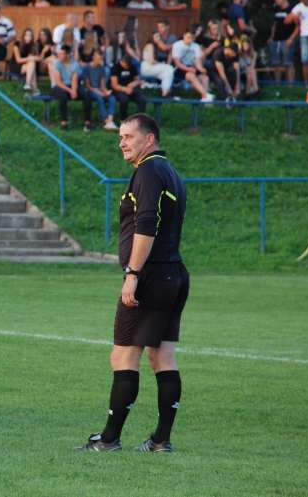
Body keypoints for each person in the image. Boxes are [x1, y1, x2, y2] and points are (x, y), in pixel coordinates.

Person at [77, 113, 188, 452]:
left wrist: (133, 275)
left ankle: (108, 440)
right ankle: (160, 440)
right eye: (120, 137)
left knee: (123, 356)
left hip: (150, 276)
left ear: (149, 139)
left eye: (128, 136)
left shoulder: (149, 171)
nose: (121, 142)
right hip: (174, 274)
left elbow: (146, 223)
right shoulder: (169, 172)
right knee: (162, 357)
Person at [171, 28, 213, 102]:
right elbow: (177, 63)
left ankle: (205, 99)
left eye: (192, 38)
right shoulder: (177, 45)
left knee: (205, 78)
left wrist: (201, 69)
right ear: (184, 35)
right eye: (188, 37)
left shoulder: (195, 46)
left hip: (192, 68)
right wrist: (189, 69)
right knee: (191, 75)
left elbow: (197, 61)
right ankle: (206, 95)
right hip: (179, 68)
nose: (190, 40)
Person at [49, 45, 87, 129]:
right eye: (59, 53)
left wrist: (73, 90)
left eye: (62, 54)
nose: (59, 55)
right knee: (63, 95)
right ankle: (64, 122)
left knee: (86, 94)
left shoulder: (74, 64)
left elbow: (74, 79)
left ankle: (87, 122)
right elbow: (58, 82)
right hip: (59, 86)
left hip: (71, 85)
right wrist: (70, 91)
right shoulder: (57, 63)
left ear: (67, 55)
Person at [268, 0, 298, 82]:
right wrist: (271, 37)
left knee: (288, 63)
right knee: (276, 63)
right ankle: (277, 85)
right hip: (276, 40)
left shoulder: (292, 9)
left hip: (287, 40)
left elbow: (298, 25)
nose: (276, 0)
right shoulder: (276, 10)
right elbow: (274, 25)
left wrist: (291, 38)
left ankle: (290, 86)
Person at [83, 50, 116, 131]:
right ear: (93, 58)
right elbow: (87, 85)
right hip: (90, 90)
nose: (100, 61)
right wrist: (98, 92)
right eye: (98, 59)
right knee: (99, 98)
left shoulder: (101, 68)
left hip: (99, 90)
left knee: (112, 98)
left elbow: (102, 84)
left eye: (101, 59)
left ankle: (110, 121)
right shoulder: (87, 67)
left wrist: (105, 91)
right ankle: (105, 120)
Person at [110, 53, 146, 123]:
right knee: (124, 99)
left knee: (142, 99)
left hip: (131, 89)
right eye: (124, 64)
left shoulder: (132, 67)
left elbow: (137, 81)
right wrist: (125, 89)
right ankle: (123, 120)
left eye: (127, 65)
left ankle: (139, 120)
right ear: (121, 62)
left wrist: (132, 84)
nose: (126, 66)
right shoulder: (115, 68)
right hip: (119, 89)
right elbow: (114, 85)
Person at [140, 34, 175, 98]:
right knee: (170, 68)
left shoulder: (154, 46)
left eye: (159, 37)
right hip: (147, 67)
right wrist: (161, 63)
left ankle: (165, 93)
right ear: (151, 38)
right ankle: (165, 92)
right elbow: (151, 61)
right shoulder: (150, 45)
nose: (158, 38)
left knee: (166, 74)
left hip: (149, 68)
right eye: (156, 36)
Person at [12, 28, 41, 94]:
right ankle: (35, 90)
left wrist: (31, 58)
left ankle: (27, 84)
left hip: (28, 66)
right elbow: (18, 60)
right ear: (23, 36)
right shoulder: (17, 44)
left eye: (30, 36)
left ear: (32, 37)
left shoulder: (33, 45)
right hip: (17, 65)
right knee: (31, 63)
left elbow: (38, 58)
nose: (28, 37)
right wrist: (30, 58)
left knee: (31, 64)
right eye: (26, 35)